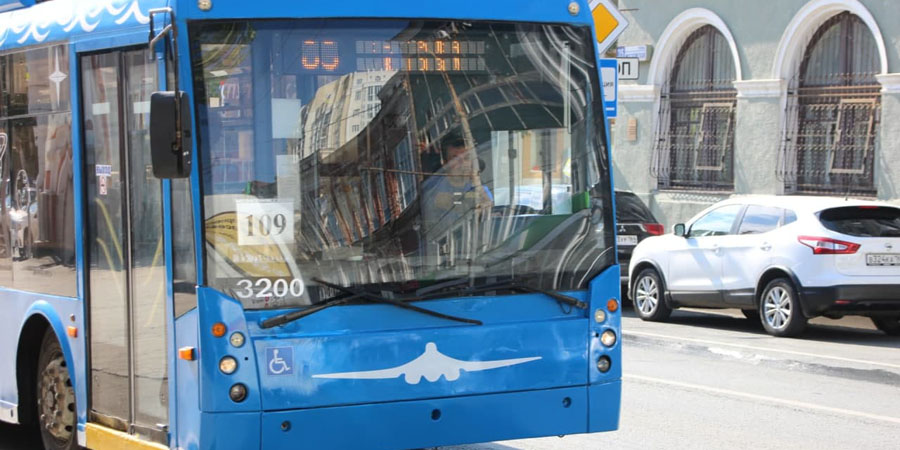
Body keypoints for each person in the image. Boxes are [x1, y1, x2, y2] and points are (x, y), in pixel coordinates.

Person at [420, 131, 492, 235]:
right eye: (455, 158)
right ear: (445, 163)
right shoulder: (432, 187)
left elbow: (487, 211)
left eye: (466, 158)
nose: (462, 163)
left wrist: (475, 182)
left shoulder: (480, 187)